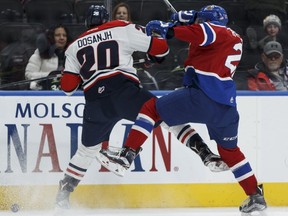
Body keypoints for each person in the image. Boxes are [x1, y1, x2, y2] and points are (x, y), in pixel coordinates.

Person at [55, 4, 228, 211]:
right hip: (124, 93)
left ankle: (63, 195)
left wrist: (70, 73)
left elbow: (67, 88)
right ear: (106, 19)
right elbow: (160, 49)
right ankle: (205, 153)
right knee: (166, 115)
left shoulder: (74, 46)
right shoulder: (120, 27)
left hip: (96, 103)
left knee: (86, 151)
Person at [99, 5, 267, 214]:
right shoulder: (231, 35)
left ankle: (126, 156)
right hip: (226, 106)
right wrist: (185, 17)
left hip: (202, 95)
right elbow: (199, 32)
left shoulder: (213, 30)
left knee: (151, 109)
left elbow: (198, 32)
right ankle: (254, 195)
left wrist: (167, 28)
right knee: (229, 151)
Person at [25, 24, 71, 90]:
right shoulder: (39, 54)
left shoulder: (72, 55)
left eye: (64, 35)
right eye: (57, 35)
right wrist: (50, 76)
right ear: (51, 37)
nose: (62, 38)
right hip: (44, 93)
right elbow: (28, 75)